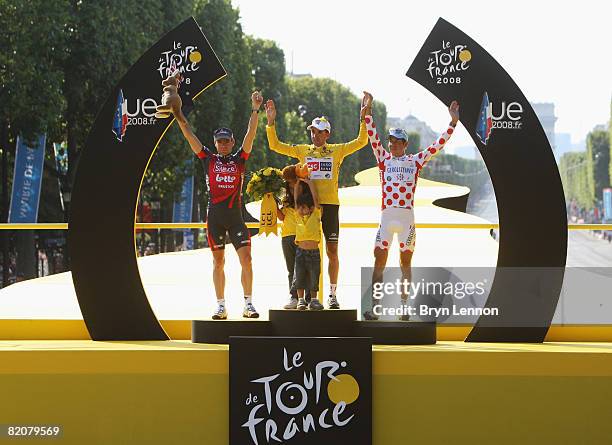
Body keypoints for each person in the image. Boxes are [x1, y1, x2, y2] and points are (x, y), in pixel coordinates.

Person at [164, 74, 264, 320]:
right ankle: (221, 305)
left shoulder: (240, 159)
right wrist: (178, 115)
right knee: (218, 263)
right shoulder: (208, 158)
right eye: (219, 141)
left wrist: (254, 109)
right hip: (215, 218)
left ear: (232, 142)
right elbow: (188, 133)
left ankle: (248, 304)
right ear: (215, 143)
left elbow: (250, 134)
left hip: (235, 216)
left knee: (247, 259)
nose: (223, 144)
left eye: (226, 141)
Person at [264, 94, 371, 309]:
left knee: (332, 251)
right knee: (304, 252)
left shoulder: (338, 150)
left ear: (327, 134)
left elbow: (362, 141)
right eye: (312, 131)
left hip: (330, 205)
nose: (314, 135)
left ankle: (331, 294)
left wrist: (364, 117)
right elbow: (275, 145)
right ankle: (303, 297)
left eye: (318, 132)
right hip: (306, 206)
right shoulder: (302, 151)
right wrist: (271, 122)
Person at [363, 96, 460, 320]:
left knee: (405, 263)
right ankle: (376, 307)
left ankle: (404, 307)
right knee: (378, 260)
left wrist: (452, 123)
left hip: (407, 221)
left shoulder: (415, 161)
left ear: (405, 144)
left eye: (398, 141)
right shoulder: (383, 158)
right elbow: (373, 137)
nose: (393, 144)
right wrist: (367, 113)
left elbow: (438, 146)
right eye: (391, 141)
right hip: (386, 220)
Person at [277, 165, 319, 309]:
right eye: (289, 183)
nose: (292, 185)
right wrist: (271, 203)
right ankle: (294, 297)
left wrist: (305, 182)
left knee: (307, 269)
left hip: (303, 238)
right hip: (288, 235)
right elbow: (282, 217)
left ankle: (309, 298)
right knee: (292, 269)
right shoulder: (287, 200)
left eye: (294, 181)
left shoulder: (309, 204)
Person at [293, 176, 324, 310]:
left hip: (314, 253)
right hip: (300, 252)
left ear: (310, 208)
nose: (300, 210)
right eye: (299, 207)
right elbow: (295, 199)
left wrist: (310, 183)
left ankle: (314, 299)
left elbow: (315, 199)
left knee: (314, 275)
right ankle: (300, 300)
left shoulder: (316, 214)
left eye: (303, 207)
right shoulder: (297, 216)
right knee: (299, 275)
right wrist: (298, 183)